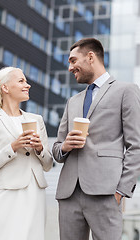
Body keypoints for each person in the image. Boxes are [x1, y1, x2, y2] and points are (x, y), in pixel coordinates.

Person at [52, 38, 140, 240]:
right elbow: (57, 150)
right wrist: (65, 146)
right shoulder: (72, 101)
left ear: (90, 57)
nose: (70, 67)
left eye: (73, 61)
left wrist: (121, 191)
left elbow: (136, 146)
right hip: (69, 194)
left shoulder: (126, 91)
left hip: (106, 193)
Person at [0, 67, 53, 240]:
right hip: (9, 194)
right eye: (21, 81)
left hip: (36, 192)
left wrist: (40, 149)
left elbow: (48, 165)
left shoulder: (37, 120)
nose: (28, 85)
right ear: (5, 87)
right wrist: (12, 147)